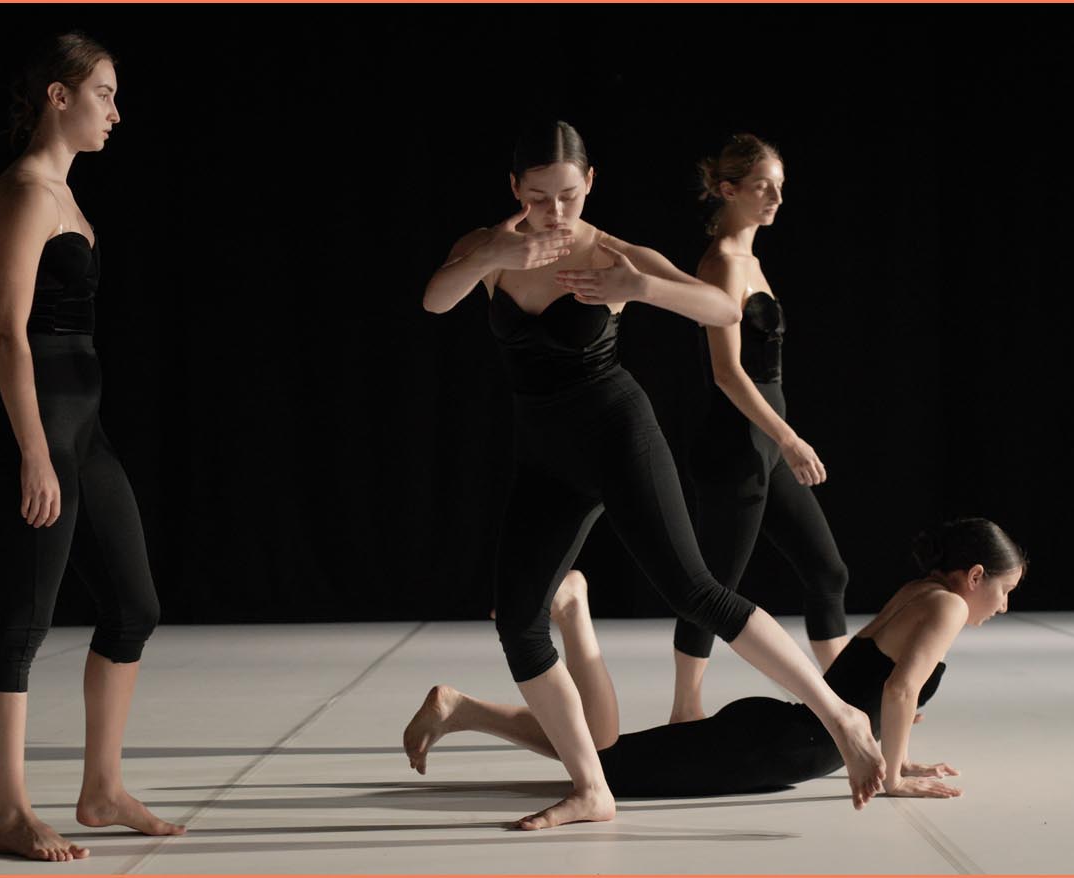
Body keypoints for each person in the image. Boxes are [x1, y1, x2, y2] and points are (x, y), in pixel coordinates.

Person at [422, 120, 886, 830]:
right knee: (517, 621)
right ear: (514, 188)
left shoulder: (613, 252)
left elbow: (721, 307)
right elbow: (435, 300)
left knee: (696, 590)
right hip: (543, 453)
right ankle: (592, 789)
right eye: (538, 197)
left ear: (590, 183)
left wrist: (640, 286)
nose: (555, 212)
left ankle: (840, 714)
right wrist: (492, 251)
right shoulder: (488, 248)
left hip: (617, 432)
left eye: (569, 195)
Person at [0, 32, 183, 861]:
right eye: (104, 94)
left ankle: (101, 789)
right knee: (24, 620)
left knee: (134, 606)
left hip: (82, 429)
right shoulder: (27, 191)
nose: (115, 112)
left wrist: (60, 442)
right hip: (37, 428)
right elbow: (5, 331)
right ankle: (11, 814)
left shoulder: (60, 191)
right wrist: (32, 450)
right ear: (58, 97)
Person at [404, 518, 1025, 800]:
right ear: (975, 576)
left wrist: (898, 755)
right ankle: (575, 615)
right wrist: (892, 780)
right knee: (604, 762)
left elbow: (873, 685)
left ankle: (464, 710)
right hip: (776, 748)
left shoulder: (920, 593)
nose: (1001, 606)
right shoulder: (948, 608)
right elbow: (896, 692)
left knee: (602, 753)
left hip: (778, 732)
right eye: (1003, 591)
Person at [671, 134, 851, 725]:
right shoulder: (723, 262)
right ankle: (685, 712)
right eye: (761, 186)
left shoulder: (749, 259)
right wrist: (789, 438)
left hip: (762, 444)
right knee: (715, 587)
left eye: (779, 185)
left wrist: (779, 440)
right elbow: (727, 372)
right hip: (734, 446)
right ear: (728, 190)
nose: (775, 197)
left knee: (827, 572)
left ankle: (848, 697)